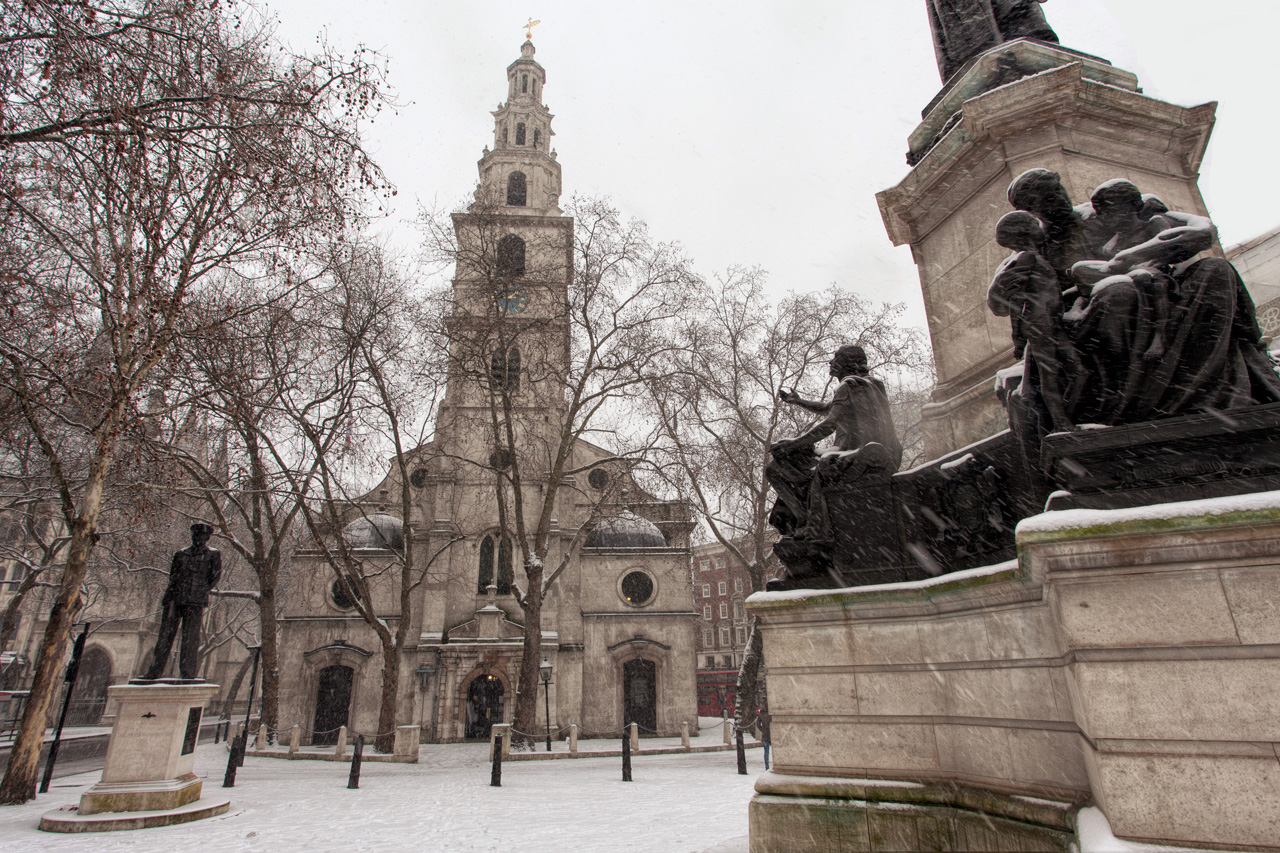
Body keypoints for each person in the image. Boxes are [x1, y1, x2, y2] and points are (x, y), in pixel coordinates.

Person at [766, 345, 902, 543]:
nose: (831, 362)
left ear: (848, 363)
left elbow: (830, 423)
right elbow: (828, 408)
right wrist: (798, 401)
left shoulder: (848, 386)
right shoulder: (870, 385)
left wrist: (792, 445)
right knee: (789, 464)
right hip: (872, 454)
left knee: (775, 468)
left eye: (836, 358)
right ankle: (805, 510)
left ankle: (808, 522)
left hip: (854, 457)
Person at [143, 523, 222, 680]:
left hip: (195, 601)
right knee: (165, 636)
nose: (197, 538)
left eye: (200, 535)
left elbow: (215, 577)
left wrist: (200, 590)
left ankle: (187, 673)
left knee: (190, 638)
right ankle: (154, 671)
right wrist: (169, 597)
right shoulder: (181, 554)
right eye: (195, 535)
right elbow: (173, 576)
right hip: (175, 598)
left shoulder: (213, 555)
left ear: (206, 538)